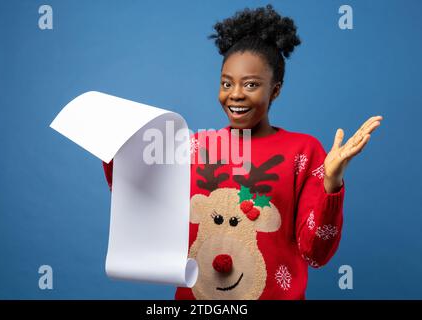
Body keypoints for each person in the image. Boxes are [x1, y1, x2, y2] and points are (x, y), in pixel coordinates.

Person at [102, 4, 382, 299]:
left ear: (275, 90)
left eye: (250, 84)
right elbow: (143, 203)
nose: (235, 94)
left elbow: (316, 253)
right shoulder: (193, 148)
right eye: (226, 83)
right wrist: (115, 148)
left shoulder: (303, 151)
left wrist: (331, 183)